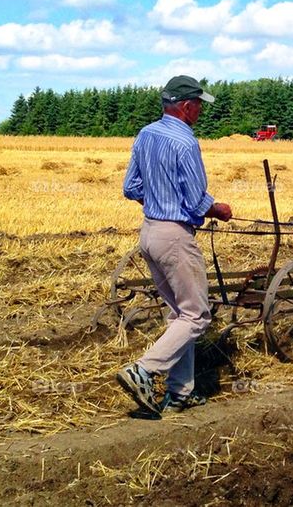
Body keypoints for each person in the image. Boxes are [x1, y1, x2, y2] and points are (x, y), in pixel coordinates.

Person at [117, 75, 233, 416]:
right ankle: (143, 369)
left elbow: (131, 187)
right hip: (175, 237)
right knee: (197, 316)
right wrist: (220, 211)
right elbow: (197, 202)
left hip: (150, 233)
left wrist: (159, 201)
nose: (200, 110)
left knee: (179, 314)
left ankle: (180, 393)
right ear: (185, 106)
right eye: (198, 104)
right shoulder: (186, 142)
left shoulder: (146, 134)